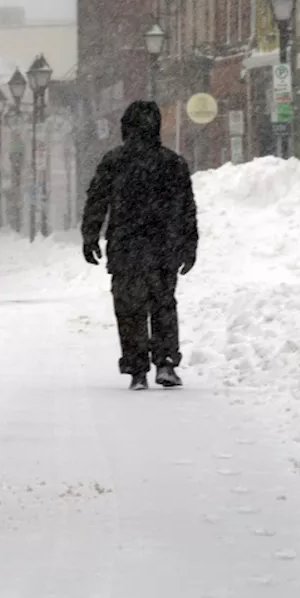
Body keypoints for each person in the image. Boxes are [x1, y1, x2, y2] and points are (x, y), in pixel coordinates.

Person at [81, 101, 199, 391]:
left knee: (130, 309)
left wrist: (90, 235)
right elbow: (186, 209)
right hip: (163, 246)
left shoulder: (115, 161)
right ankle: (166, 363)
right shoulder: (173, 163)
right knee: (163, 305)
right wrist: (189, 245)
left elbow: (97, 200)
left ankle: (137, 369)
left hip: (126, 246)